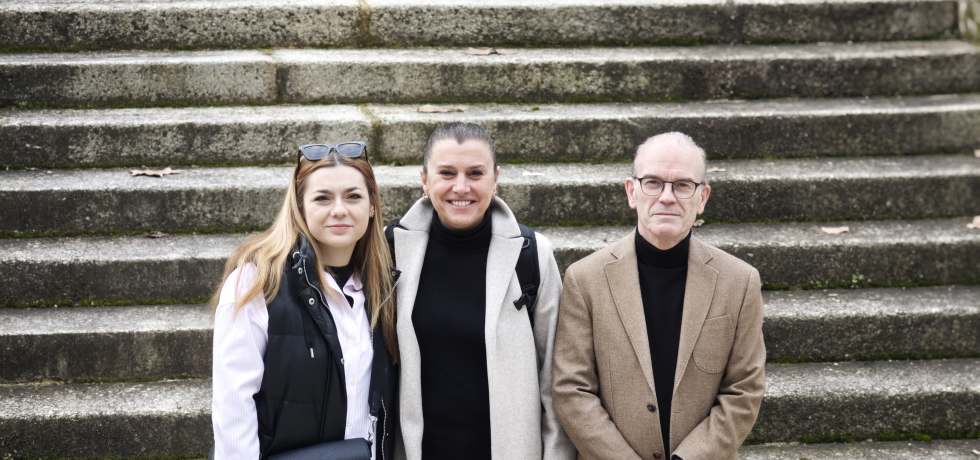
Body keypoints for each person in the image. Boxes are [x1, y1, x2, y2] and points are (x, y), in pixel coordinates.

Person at [552, 132, 765, 460]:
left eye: (682, 185)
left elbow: (744, 390)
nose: (667, 197)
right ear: (631, 191)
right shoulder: (584, 279)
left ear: (703, 197)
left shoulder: (740, 282)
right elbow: (571, 390)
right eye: (652, 182)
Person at [387, 122, 574, 459]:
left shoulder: (531, 254)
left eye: (475, 173)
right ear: (424, 179)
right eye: (447, 173)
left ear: (495, 178)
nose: (461, 187)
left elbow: (555, 378)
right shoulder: (391, 251)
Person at [211, 141, 398, 459]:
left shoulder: (383, 285)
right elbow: (234, 408)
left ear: (371, 206)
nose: (339, 209)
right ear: (300, 207)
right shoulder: (257, 282)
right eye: (322, 198)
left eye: (353, 196)